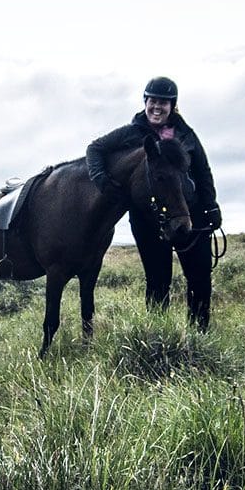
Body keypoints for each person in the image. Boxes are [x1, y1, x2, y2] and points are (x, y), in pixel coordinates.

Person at [85, 77, 222, 330]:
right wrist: (102, 181)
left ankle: (199, 335)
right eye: (153, 101)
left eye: (164, 103)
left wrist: (211, 205)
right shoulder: (131, 133)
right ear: (145, 102)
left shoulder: (186, 135)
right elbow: (95, 149)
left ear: (173, 106)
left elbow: (203, 171)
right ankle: (159, 338)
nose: (157, 107)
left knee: (200, 277)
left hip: (189, 213)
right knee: (158, 281)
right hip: (149, 220)